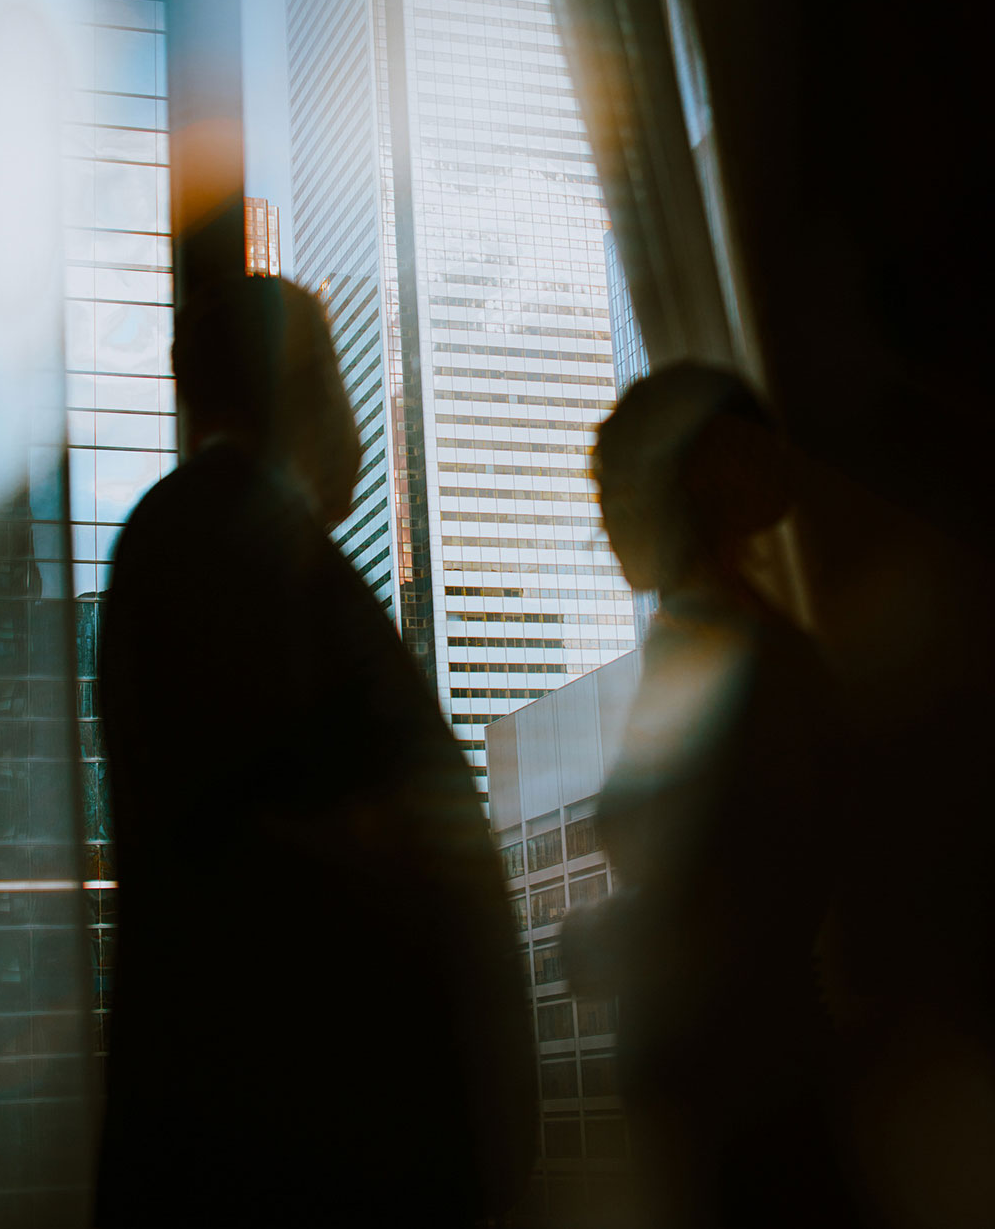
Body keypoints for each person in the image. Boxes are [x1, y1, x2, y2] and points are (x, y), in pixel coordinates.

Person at [95, 275, 535, 1228]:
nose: (357, 421)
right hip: (318, 1166)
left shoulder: (209, 538)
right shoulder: (221, 537)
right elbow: (296, 844)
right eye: (340, 379)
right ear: (300, 381)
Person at [564, 362, 851, 1229]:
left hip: (744, 1107)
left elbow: (733, 889)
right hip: (737, 1100)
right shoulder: (732, 641)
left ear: (680, 485)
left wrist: (604, 941)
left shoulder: (727, 650)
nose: (603, 515)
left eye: (613, 484)